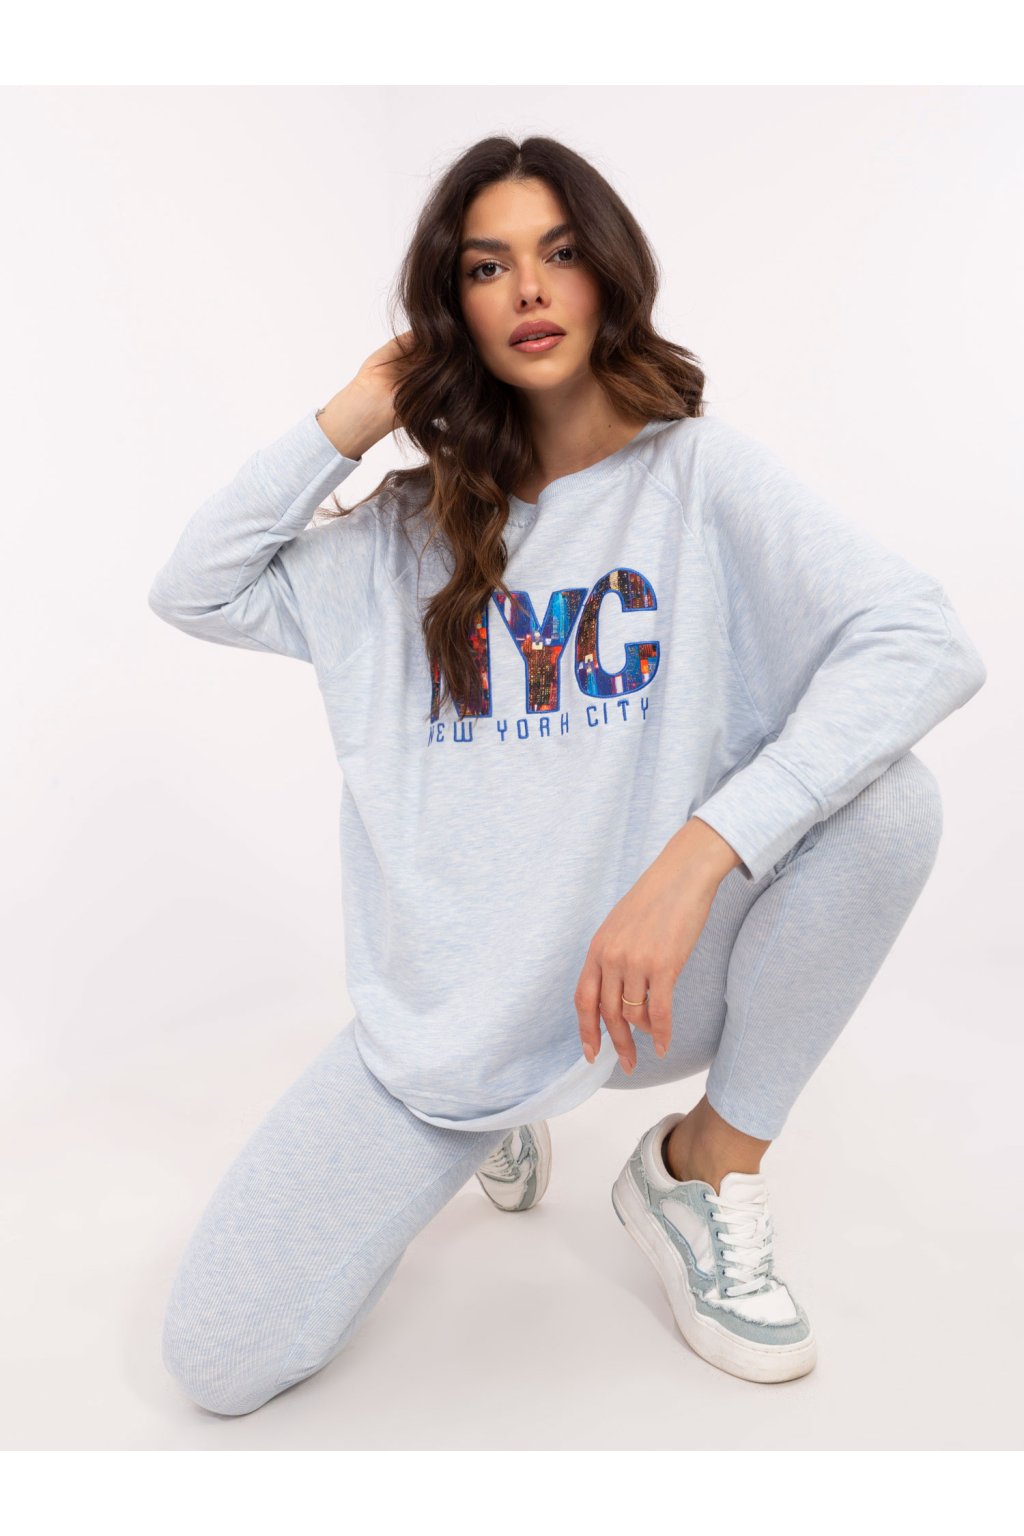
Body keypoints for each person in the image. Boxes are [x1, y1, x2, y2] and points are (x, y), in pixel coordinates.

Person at [148, 135, 987, 1413]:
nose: (530, 289)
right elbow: (194, 590)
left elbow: (921, 642)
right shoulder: (399, 539)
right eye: (488, 267)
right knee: (218, 1361)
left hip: (640, 984)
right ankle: (499, 1117)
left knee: (887, 805)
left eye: (559, 253)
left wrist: (698, 854)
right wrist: (357, 415)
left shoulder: (695, 476)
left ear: (607, 277)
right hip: (458, 1023)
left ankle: (700, 1167)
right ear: (452, 307)